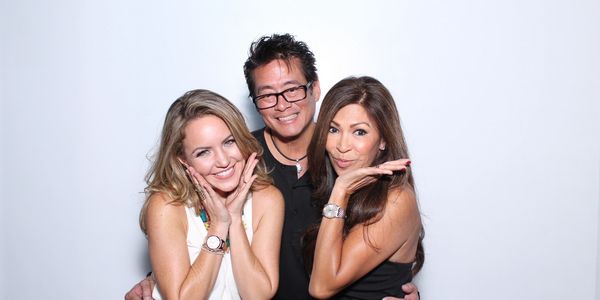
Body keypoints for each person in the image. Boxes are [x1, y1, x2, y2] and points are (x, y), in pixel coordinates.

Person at [125, 34, 420, 300]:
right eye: (267, 95)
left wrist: (394, 284)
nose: (282, 104)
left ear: (315, 89)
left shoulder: (346, 159)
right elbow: (187, 214)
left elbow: (385, 237)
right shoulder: (238, 159)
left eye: (292, 90)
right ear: (254, 103)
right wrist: (159, 280)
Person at [139, 89, 284, 299]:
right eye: (203, 152)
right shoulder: (166, 205)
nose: (223, 161)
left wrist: (234, 219)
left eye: (229, 142)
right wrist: (218, 225)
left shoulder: (267, 199)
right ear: (183, 159)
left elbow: (258, 295)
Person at [303, 76, 424, 299]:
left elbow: (321, 288)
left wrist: (340, 192)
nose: (342, 146)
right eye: (333, 129)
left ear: (383, 140)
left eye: (359, 132)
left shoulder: (396, 199)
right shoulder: (328, 188)